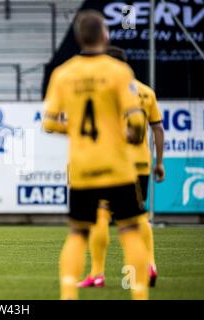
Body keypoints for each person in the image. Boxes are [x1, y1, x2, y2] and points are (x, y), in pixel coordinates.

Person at [42, 10, 149, 300]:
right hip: (117, 164)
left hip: (82, 166)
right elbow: (137, 121)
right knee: (130, 229)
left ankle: (68, 294)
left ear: (78, 37)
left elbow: (49, 122)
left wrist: (73, 129)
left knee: (78, 232)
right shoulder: (118, 71)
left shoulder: (63, 73)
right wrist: (132, 136)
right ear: (105, 35)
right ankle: (139, 295)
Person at [77, 46, 165, 289]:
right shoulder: (147, 93)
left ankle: (97, 274)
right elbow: (157, 128)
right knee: (138, 216)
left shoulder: (103, 91)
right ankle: (149, 264)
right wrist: (159, 162)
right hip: (140, 165)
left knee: (100, 215)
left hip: (110, 163)